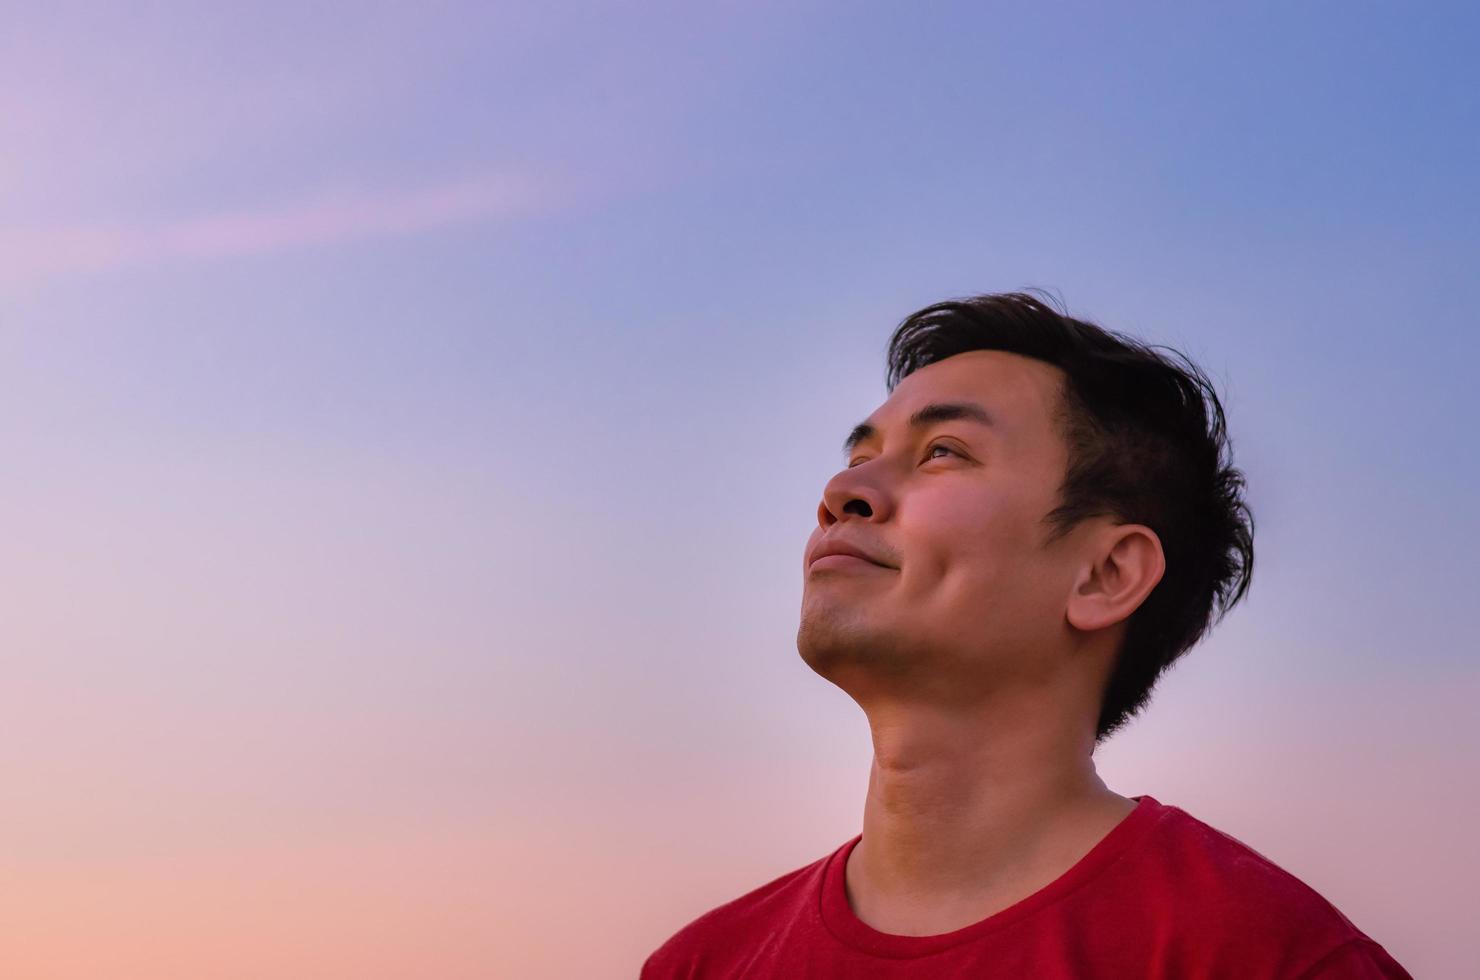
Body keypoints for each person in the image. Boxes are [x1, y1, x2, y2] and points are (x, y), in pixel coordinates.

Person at [639, 292, 1413, 979]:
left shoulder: (1263, 955)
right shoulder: (700, 964)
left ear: (1105, 574)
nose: (843, 493)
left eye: (943, 452)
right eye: (860, 457)